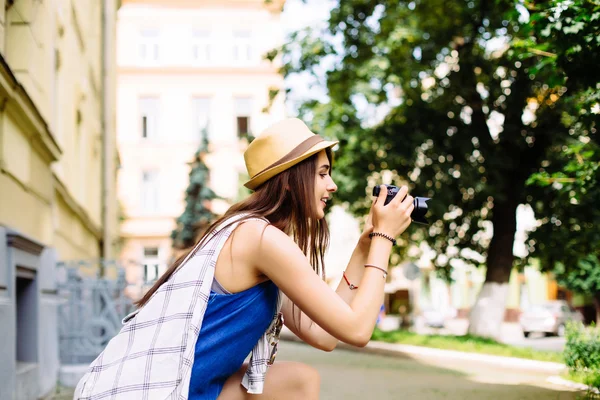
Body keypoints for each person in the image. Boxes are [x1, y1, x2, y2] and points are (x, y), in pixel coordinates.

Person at [74, 118, 414, 400]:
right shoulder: (260, 238)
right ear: (292, 178)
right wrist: (385, 239)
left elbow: (324, 336)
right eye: (323, 173)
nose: (333, 185)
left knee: (299, 381)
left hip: (191, 386)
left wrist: (364, 246)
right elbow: (357, 330)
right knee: (297, 382)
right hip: (157, 392)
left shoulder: (255, 236)